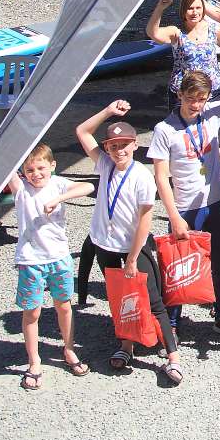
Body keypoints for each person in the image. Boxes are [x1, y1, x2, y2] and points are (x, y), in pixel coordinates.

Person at [75, 101, 181, 382]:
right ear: (107, 147)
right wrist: (108, 111)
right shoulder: (104, 164)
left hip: (132, 247)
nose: (118, 150)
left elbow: (145, 221)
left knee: (153, 299)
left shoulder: (141, 176)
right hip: (104, 244)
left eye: (124, 145)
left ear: (135, 145)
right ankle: (126, 346)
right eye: (113, 145)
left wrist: (133, 258)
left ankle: (173, 358)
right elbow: (82, 131)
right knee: (119, 298)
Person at [147, 73, 220, 340]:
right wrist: (174, 216)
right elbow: (161, 176)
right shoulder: (164, 129)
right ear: (179, 94)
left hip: (214, 203)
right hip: (183, 207)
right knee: (178, 265)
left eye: (202, 99)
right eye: (191, 98)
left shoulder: (213, 115)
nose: (196, 104)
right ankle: (172, 320)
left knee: (219, 262)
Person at [9, 144, 92, 390]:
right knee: (32, 312)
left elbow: (88, 186)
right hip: (31, 260)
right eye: (30, 169)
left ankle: (68, 349)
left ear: (52, 166)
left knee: (63, 306)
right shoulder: (21, 189)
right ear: (23, 172)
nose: (36, 173)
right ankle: (34, 361)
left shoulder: (57, 184)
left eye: (41, 167)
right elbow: (4, 163)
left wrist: (59, 198)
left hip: (59, 257)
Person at [148, 0, 220, 100]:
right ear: (183, 11)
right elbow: (153, 33)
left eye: (198, 8)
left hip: (211, 92)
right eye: (190, 8)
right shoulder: (177, 32)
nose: (195, 12)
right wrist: (160, 8)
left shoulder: (214, 30)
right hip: (183, 94)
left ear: (203, 9)